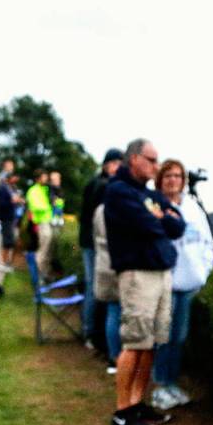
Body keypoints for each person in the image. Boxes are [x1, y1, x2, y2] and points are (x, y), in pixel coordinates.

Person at [104, 138, 185, 425]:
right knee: (135, 341)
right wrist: (161, 219)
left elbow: (178, 226)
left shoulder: (146, 194)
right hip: (138, 274)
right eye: (151, 160)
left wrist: (161, 217)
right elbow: (148, 225)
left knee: (150, 342)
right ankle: (123, 410)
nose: (156, 166)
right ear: (134, 159)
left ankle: (137, 403)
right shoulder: (118, 192)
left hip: (160, 271)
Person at [151, 160, 213, 410]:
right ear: (160, 179)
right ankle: (160, 385)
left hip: (190, 281)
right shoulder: (154, 205)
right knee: (163, 337)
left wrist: (205, 268)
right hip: (165, 282)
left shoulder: (192, 208)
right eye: (167, 175)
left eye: (177, 176)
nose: (173, 180)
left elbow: (206, 241)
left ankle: (171, 382)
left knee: (179, 336)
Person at [80, 148, 123, 350]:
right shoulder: (101, 185)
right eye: (117, 163)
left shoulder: (99, 183)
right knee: (94, 288)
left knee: (97, 289)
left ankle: (94, 333)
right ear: (108, 164)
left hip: (94, 243)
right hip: (94, 244)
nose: (121, 167)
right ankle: (90, 332)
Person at [92, 201, 122, 375]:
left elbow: (95, 233)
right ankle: (120, 356)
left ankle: (113, 357)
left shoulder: (100, 209)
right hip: (118, 264)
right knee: (118, 312)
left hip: (103, 263)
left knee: (111, 311)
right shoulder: (122, 207)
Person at [25, 169, 54, 279]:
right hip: (42, 223)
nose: (46, 178)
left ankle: (44, 273)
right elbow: (35, 207)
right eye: (44, 176)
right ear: (38, 178)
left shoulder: (44, 189)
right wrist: (49, 207)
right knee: (43, 250)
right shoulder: (33, 191)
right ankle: (38, 275)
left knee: (47, 249)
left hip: (48, 221)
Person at [0, 160, 24, 270]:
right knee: (7, 241)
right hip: (6, 217)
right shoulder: (2, 187)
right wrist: (13, 201)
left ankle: (6, 263)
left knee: (9, 241)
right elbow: (2, 203)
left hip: (10, 217)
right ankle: (3, 263)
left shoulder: (10, 188)